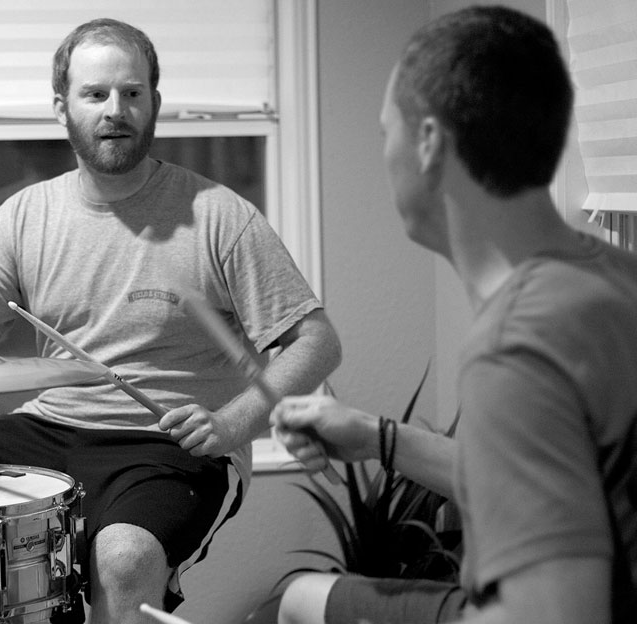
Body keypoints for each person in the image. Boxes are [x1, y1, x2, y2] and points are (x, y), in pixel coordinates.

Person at [0, 18, 342, 624]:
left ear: (155, 104)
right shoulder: (24, 216)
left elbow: (317, 342)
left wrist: (231, 424)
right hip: (50, 428)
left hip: (169, 444)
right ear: (62, 107)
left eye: (132, 93)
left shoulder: (220, 217)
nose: (115, 110)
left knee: (122, 557)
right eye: (96, 94)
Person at [271, 6, 637, 624]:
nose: (383, 152)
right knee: (302, 599)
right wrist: (376, 438)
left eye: (384, 131)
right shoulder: (611, 276)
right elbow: (544, 477)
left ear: (429, 143)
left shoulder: (517, 343)